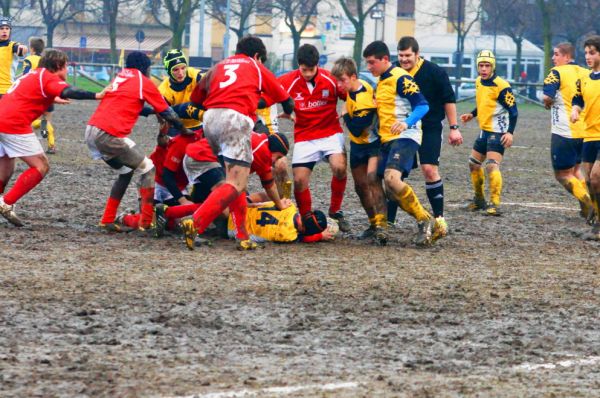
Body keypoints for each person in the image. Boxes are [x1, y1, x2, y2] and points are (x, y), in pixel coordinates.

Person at [183, 35, 294, 251]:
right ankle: (195, 222)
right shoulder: (254, 65)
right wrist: (289, 113)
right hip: (234, 120)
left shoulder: (218, 66)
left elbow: (196, 99)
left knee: (234, 181)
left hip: (210, 120)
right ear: (256, 56)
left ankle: (242, 236)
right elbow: (285, 98)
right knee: (236, 183)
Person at [85, 51, 189, 232]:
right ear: (146, 68)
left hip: (92, 130)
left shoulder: (121, 77)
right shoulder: (143, 81)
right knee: (148, 168)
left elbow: (130, 103)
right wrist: (183, 129)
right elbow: (167, 111)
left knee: (125, 172)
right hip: (108, 134)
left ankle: (107, 219)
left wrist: (149, 111)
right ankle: (146, 223)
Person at [0, 49, 103, 226]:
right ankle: (6, 203)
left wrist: (52, 99)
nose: (67, 71)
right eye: (66, 67)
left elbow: (29, 93)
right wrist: (96, 95)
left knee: (6, 168)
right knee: (41, 166)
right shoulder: (48, 77)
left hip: (3, 117)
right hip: (13, 123)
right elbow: (69, 91)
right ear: (58, 66)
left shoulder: (35, 74)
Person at [362, 41, 440, 246]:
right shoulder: (381, 83)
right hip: (386, 139)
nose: (369, 67)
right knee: (372, 177)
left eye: (372, 63)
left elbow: (423, 106)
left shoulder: (401, 78)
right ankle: (381, 226)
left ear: (385, 59)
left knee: (391, 179)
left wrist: (406, 123)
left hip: (406, 137)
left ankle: (425, 220)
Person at [388, 36, 463, 237]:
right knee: (395, 173)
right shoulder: (393, 72)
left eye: (408, 55)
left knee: (429, 170)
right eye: (401, 55)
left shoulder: (435, 72)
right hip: (402, 128)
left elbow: (449, 100)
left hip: (429, 127)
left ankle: (439, 218)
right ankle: (389, 220)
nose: (404, 59)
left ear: (417, 54)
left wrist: (454, 127)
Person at [278, 44, 350, 232]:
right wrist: (284, 112)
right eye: (304, 70)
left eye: (311, 69)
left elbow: (351, 93)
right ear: (298, 65)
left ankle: (335, 211)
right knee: (300, 180)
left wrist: (347, 106)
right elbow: (267, 95)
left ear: (318, 64)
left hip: (330, 132)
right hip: (304, 136)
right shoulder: (287, 81)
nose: (308, 74)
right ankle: (306, 219)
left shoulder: (330, 79)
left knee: (340, 167)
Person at [180, 131, 292, 249]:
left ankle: (242, 237)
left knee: (238, 189)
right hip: (202, 158)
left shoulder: (259, 141)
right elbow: (269, 186)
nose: (276, 161)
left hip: (202, 157)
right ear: (274, 150)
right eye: (278, 157)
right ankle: (194, 223)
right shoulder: (262, 150)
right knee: (228, 200)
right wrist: (279, 204)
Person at [330, 56, 387, 245]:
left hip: (372, 144)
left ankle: (381, 226)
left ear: (353, 77)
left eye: (343, 80)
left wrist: (344, 113)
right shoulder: (352, 88)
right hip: (357, 145)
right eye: (337, 80)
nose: (339, 85)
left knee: (372, 180)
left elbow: (356, 128)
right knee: (359, 186)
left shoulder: (365, 99)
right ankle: (373, 224)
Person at [460, 50, 518, 216]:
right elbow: (483, 103)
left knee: (492, 165)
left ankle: (495, 204)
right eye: (481, 65)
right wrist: (472, 114)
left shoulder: (502, 86)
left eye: (487, 65)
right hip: (484, 130)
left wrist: (510, 133)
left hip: (498, 132)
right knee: (473, 164)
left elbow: (513, 111)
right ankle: (479, 200)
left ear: (493, 67)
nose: (484, 69)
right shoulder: (479, 81)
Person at [543, 42, 594, 221]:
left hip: (564, 131)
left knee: (563, 175)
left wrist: (547, 102)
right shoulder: (585, 72)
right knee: (575, 170)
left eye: (557, 54)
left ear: (566, 57)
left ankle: (589, 204)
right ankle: (585, 208)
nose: (553, 58)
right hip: (584, 131)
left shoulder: (556, 72)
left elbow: (547, 96)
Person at [571, 35, 600, 239]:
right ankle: (596, 215)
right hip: (589, 134)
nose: (588, 57)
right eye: (586, 53)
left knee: (597, 177)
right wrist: (575, 109)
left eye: (592, 52)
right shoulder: (584, 78)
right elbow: (578, 97)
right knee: (589, 180)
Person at [227, 202, 335, 243]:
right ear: (304, 230)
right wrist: (320, 236)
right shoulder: (289, 235)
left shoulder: (289, 205)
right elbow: (304, 239)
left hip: (237, 208)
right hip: (233, 228)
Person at [23, 37, 57, 154]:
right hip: (48, 94)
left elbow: (26, 76)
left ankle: (38, 141)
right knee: (46, 120)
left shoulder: (29, 59)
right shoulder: (45, 60)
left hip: (35, 95)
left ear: (31, 48)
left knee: (31, 121)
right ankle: (50, 144)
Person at [158, 49, 204, 135]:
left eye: (183, 68)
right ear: (169, 71)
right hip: (176, 127)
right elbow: (162, 117)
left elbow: (211, 86)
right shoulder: (163, 90)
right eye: (175, 70)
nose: (181, 73)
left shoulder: (195, 75)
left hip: (200, 123)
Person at [0, 16, 27, 99]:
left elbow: (21, 49)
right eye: (1, 28)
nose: (4, 31)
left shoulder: (12, 46)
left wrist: (22, 48)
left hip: (5, 90)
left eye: (7, 28)